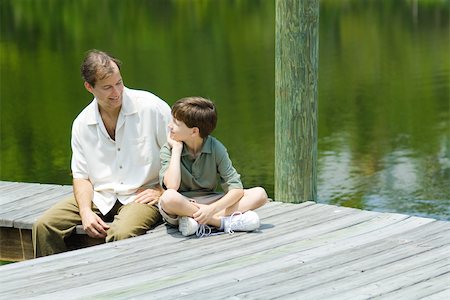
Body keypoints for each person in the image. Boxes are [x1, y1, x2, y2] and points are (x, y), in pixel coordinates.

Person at [32, 49, 171, 257]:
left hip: (142, 195)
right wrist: (85, 212)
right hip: (101, 196)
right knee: (44, 226)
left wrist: (163, 191)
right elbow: (81, 177)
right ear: (89, 87)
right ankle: (56, 285)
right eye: (107, 87)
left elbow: (179, 153)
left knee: (121, 234)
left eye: (119, 83)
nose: (116, 92)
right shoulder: (81, 124)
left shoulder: (152, 108)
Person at [158, 97, 268, 237]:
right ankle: (222, 223)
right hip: (182, 204)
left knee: (260, 194)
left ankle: (197, 221)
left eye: (176, 123)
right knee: (168, 198)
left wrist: (211, 209)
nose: (169, 126)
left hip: (209, 201)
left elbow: (236, 188)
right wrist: (177, 150)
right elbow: (172, 186)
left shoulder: (216, 148)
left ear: (194, 132)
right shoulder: (169, 148)